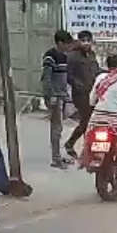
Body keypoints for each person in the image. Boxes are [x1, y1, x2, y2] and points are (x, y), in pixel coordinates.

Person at [63, 30, 99, 160]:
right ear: (79, 41)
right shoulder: (73, 56)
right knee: (87, 121)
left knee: (89, 122)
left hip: (93, 93)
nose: (86, 43)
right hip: (80, 95)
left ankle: (72, 144)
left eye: (88, 41)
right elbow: (68, 75)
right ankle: (84, 150)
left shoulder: (91, 55)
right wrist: (78, 85)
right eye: (83, 41)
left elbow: (96, 71)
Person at [42, 30, 75, 169]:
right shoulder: (50, 56)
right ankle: (55, 159)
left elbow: (66, 78)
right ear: (60, 43)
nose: (69, 47)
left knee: (60, 127)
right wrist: (51, 95)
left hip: (62, 95)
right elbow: (47, 78)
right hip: (55, 96)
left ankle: (58, 155)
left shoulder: (65, 57)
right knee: (56, 128)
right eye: (67, 44)